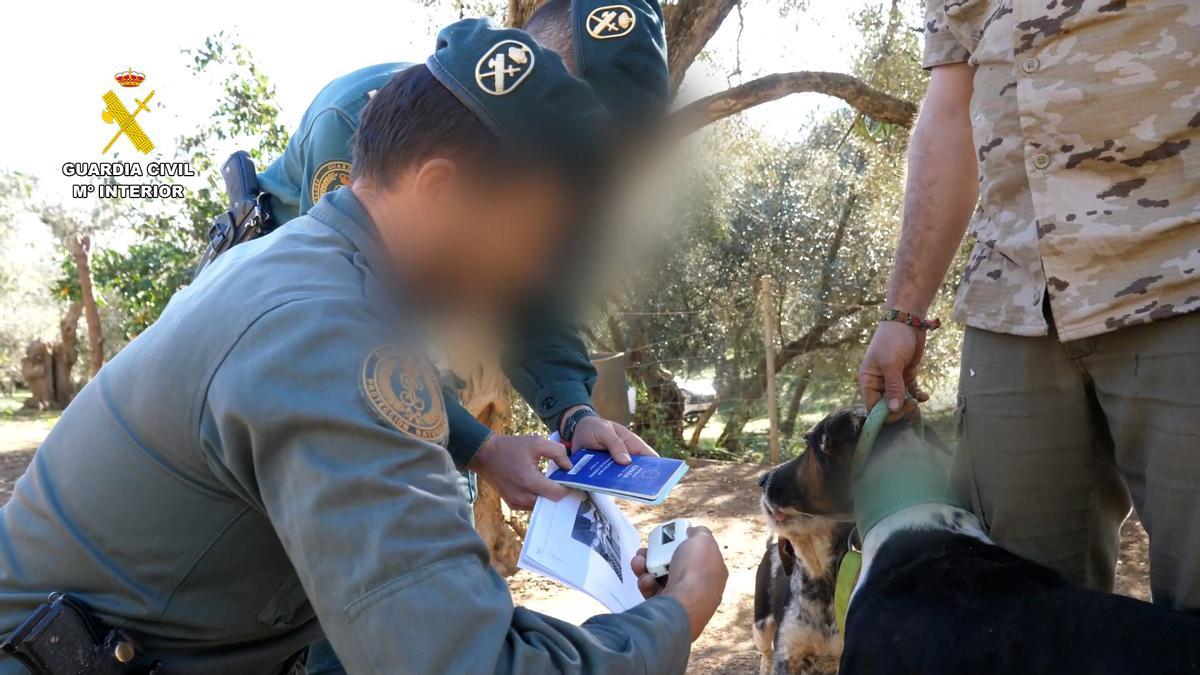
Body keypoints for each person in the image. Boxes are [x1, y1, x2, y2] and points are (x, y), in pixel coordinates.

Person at [0, 19, 727, 674]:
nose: (535, 274)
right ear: (442, 192)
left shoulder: (316, 271)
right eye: (536, 237)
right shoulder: (331, 339)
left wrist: (555, 414)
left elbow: (435, 625)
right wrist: (674, 615)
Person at [239, 0, 673, 516]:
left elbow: (535, 298)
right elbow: (349, 334)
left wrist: (575, 415)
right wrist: (480, 448)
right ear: (518, 70)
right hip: (274, 374)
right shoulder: (359, 119)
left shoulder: (553, 176)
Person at [858, 0, 1199, 608]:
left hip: (1179, 278)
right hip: (1011, 308)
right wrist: (903, 311)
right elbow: (948, 114)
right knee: (1011, 615)